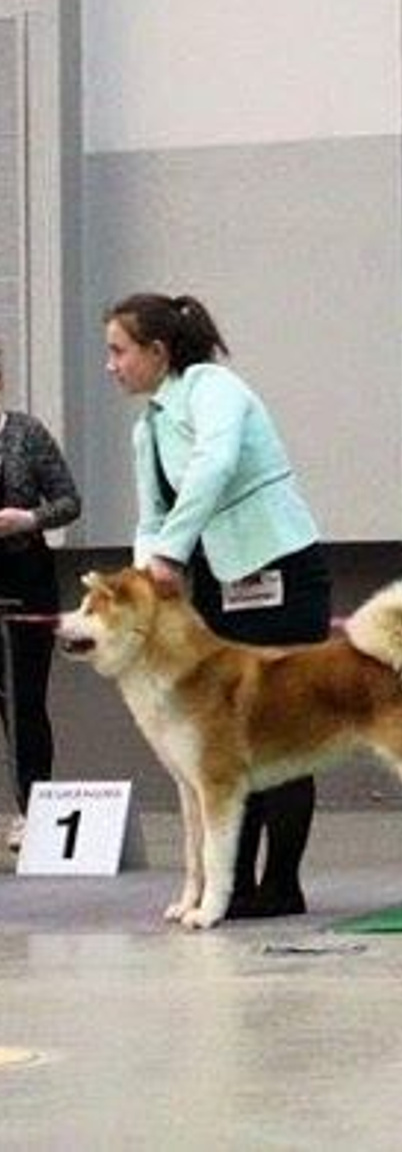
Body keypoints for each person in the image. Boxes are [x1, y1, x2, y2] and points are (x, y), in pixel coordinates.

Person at [104, 293, 331, 918]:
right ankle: (230, 884)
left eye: (119, 351)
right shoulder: (145, 427)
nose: (111, 365)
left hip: (282, 570)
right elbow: (151, 517)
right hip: (223, 581)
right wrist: (144, 587)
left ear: (157, 351)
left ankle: (282, 884)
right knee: (225, 739)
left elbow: (213, 464)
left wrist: (171, 553)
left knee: (283, 728)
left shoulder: (213, 388)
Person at [0, 363, 82, 852]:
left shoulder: (26, 434)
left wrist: (27, 519)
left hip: (25, 580)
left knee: (24, 703)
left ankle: (34, 811)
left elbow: (70, 501)